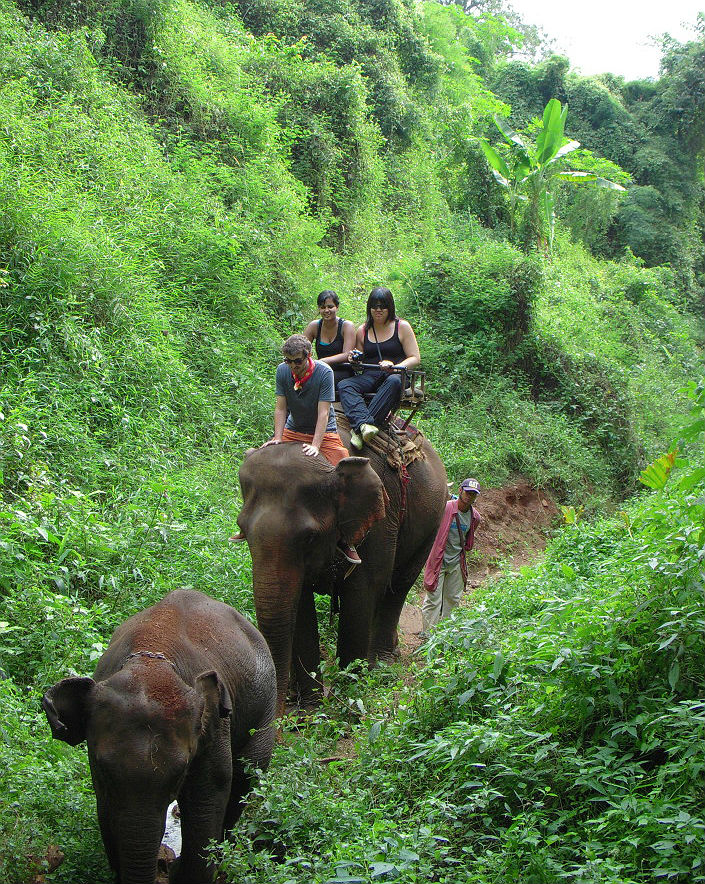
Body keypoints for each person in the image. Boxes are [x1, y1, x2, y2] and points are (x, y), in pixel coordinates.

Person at [263, 333, 360, 564]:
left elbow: (324, 413)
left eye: (297, 361)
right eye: (288, 361)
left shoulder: (324, 372)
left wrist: (315, 446)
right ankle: (255, 523)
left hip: (324, 433)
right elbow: (280, 408)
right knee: (263, 465)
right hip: (293, 428)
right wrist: (278, 438)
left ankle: (346, 537)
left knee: (345, 474)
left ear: (308, 357)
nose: (293, 366)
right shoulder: (282, 372)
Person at [338, 287, 420, 451]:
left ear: (390, 307)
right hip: (371, 375)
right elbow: (359, 357)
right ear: (369, 308)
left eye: (383, 306)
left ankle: (361, 428)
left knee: (394, 381)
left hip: (396, 375)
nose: (378, 310)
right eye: (374, 306)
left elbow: (415, 357)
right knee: (345, 385)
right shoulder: (363, 330)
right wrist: (355, 359)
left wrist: (395, 367)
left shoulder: (401, 327)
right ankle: (364, 426)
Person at [420, 478, 482, 635]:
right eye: (468, 492)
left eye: (473, 494)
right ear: (460, 490)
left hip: (456, 562)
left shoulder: (475, 517)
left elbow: (468, 540)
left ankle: (445, 635)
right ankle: (428, 635)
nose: (470, 496)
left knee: (453, 599)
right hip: (438, 560)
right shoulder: (445, 508)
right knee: (433, 599)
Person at [303, 290, 356, 393]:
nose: (326, 310)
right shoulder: (314, 326)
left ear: (337, 307)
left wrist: (323, 361)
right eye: (323, 307)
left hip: (343, 371)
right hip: (320, 370)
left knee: (319, 381)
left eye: (330, 307)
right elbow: (301, 347)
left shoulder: (346, 326)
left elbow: (347, 355)